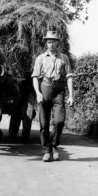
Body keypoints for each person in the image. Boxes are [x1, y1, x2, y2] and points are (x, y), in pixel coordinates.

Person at [32, 30, 74, 162]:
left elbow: (69, 77)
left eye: (54, 42)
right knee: (44, 124)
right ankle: (46, 150)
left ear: (57, 43)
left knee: (59, 121)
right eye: (49, 42)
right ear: (46, 43)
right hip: (45, 88)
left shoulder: (64, 58)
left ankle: (55, 146)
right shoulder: (40, 58)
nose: (51, 44)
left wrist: (71, 96)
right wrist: (38, 93)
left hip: (59, 90)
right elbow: (34, 77)